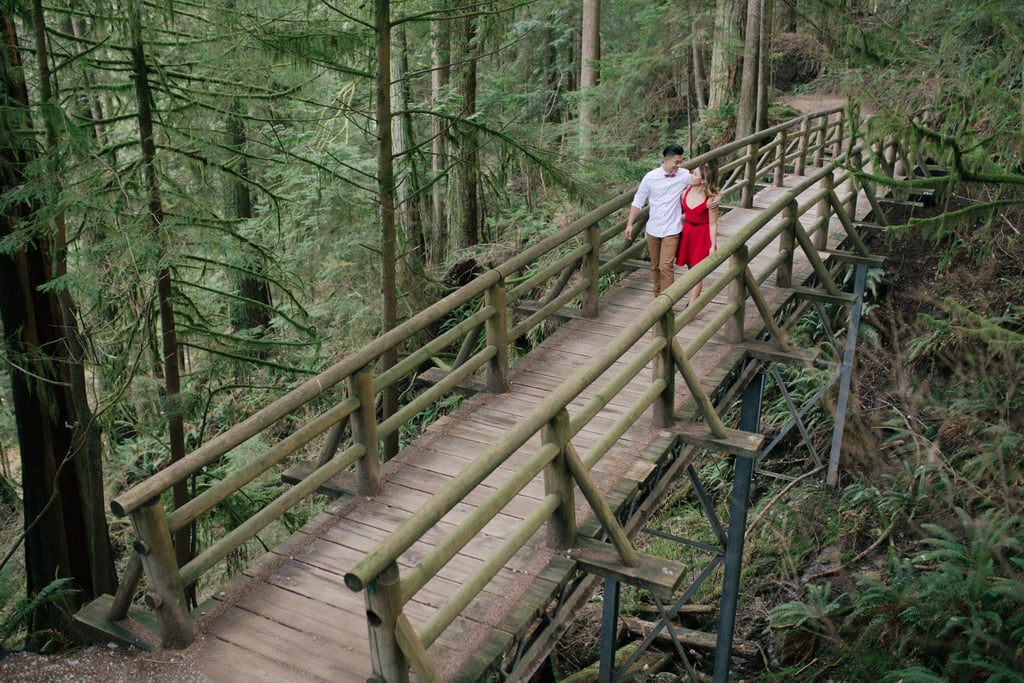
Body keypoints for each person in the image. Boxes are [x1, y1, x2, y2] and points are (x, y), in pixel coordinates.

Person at [625, 145, 718, 297]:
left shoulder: (685, 176)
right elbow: (638, 201)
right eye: (677, 162)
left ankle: (666, 301)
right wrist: (630, 224)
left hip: (672, 229)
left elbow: (705, 183)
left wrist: (717, 197)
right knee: (655, 266)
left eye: (681, 161)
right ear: (666, 160)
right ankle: (657, 297)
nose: (679, 165)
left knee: (666, 266)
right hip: (653, 229)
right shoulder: (650, 177)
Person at [675, 162, 720, 308]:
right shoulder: (685, 193)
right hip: (688, 232)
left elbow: (713, 223)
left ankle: (691, 306)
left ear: (703, 180)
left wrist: (713, 244)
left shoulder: (710, 200)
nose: (691, 176)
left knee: (697, 272)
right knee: (691, 269)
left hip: (702, 234)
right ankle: (692, 301)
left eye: (694, 174)